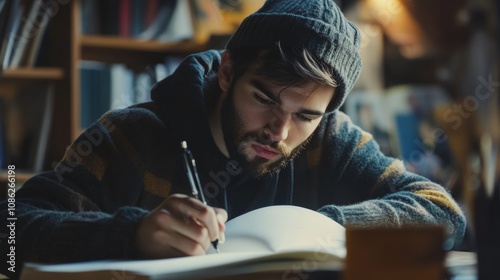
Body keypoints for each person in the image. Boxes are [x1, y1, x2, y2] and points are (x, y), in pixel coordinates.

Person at [1, 0, 466, 278]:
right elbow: (11, 231)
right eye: (264, 98)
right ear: (226, 71)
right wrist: (128, 234)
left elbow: (441, 211)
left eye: (305, 114)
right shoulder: (130, 135)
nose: (279, 132)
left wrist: (322, 231)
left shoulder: (331, 139)